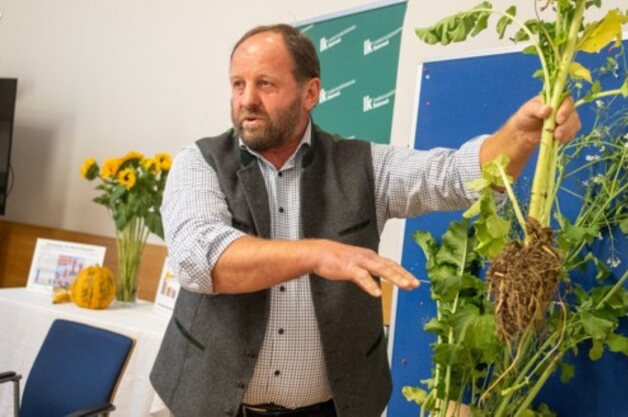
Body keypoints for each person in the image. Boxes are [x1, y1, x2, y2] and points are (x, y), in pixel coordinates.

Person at [149, 23, 580, 417]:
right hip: (212, 404)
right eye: (238, 84)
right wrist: (316, 254)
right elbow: (198, 260)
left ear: (310, 92)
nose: (246, 100)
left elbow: (453, 176)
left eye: (265, 84)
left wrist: (521, 135)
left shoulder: (363, 165)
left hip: (333, 408)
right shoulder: (199, 163)